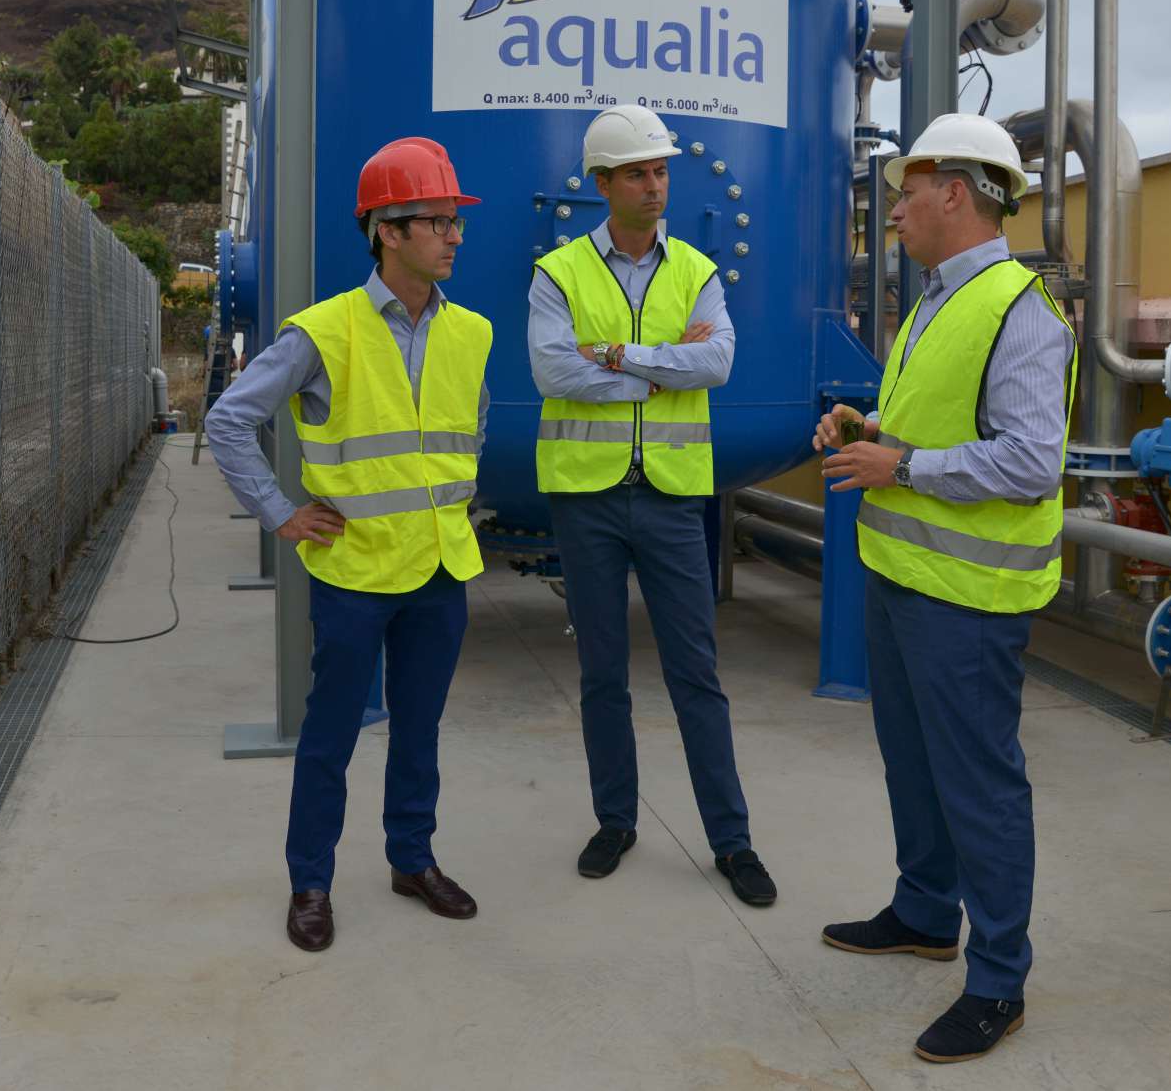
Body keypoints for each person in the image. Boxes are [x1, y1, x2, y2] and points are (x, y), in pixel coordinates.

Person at [813, 112, 1075, 1064]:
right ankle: (926, 912)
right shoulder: (934, 300)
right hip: (901, 576)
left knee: (980, 786)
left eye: (908, 193)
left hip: (968, 598)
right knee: (913, 764)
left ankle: (998, 980)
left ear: (955, 193)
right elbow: (934, 421)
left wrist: (905, 466)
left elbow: (1032, 462)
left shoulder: (1021, 310)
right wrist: (869, 428)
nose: (894, 212)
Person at [204, 137, 491, 953]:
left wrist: (456, 509)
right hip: (356, 573)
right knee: (329, 737)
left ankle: (412, 860)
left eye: (456, 221)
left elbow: (470, 430)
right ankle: (311, 882)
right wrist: (279, 513)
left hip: (440, 570)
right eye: (437, 221)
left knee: (421, 732)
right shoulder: (324, 331)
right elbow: (229, 419)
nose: (454, 235)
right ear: (387, 231)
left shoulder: (471, 332)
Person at [528, 104, 777, 906]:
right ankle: (616, 821)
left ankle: (732, 841)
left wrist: (617, 355)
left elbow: (719, 363)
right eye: (637, 172)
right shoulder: (558, 272)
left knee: (695, 673)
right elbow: (552, 372)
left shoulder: (696, 269)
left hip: (673, 499)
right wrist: (661, 371)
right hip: (587, 498)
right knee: (602, 673)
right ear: (602, 184)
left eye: (661, 170)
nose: (655, 184)